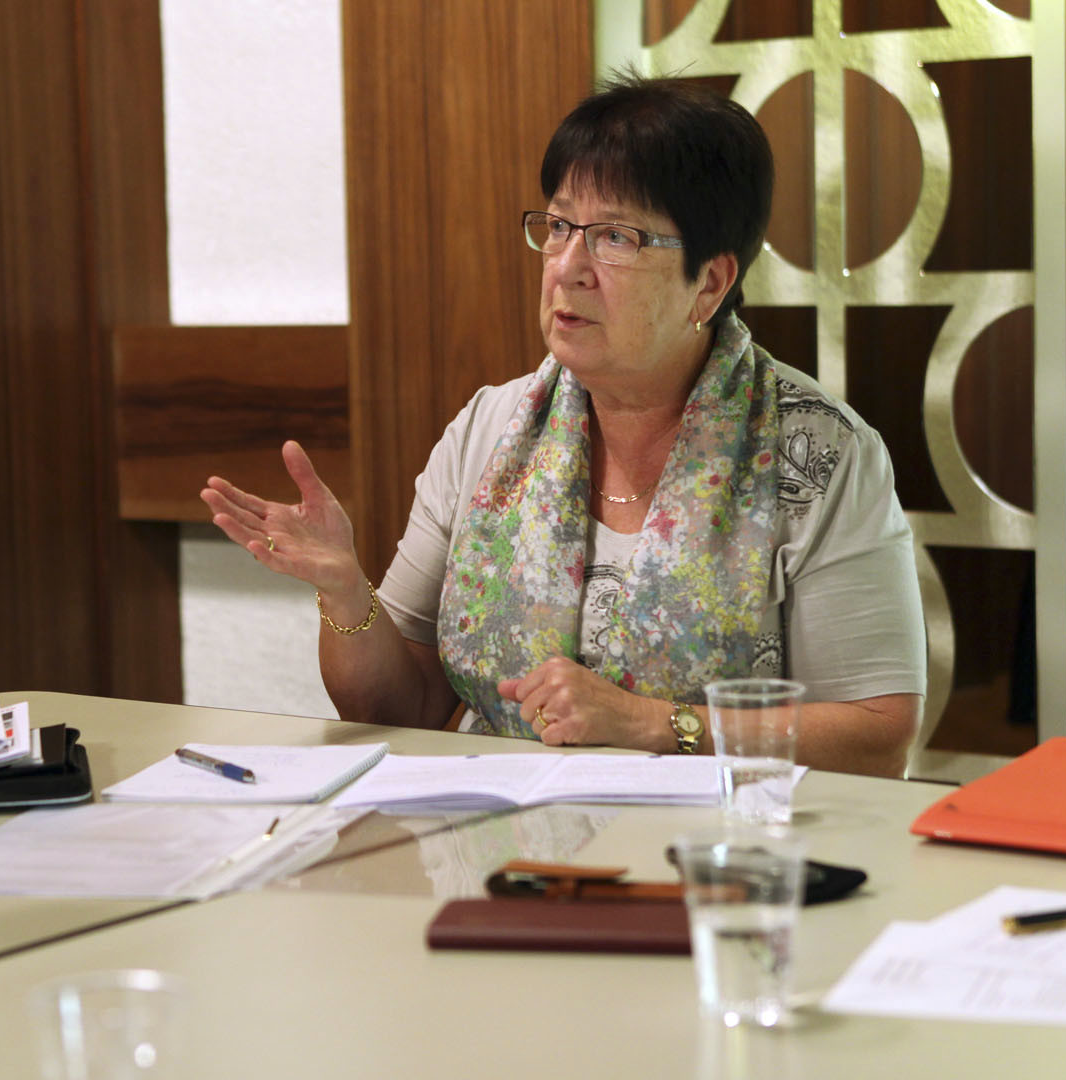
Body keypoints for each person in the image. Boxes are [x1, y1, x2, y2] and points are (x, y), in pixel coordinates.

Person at [202, 76, 924, 777]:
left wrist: (651, 723)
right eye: (559, 226)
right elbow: (407, 705)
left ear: (710, 281)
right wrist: (345, 592)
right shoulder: (492, 429)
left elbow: (876, 735)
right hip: (492, 846)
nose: (569, 268)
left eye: (617, 238)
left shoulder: (818, 454)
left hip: (709, 858)